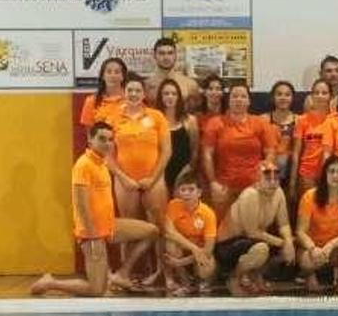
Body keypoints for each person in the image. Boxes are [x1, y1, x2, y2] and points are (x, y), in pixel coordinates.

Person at [30, 122, 159, 296]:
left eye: (110, 140)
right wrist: (93, 238)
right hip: (91, 234)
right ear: (90, 140)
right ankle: (51, 283)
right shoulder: (84, 165)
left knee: (151, 231)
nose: (107, 143)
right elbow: (80, 205)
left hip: (109, 227)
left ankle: (122, 274)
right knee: (96, 290)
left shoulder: (102, 163)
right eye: (102, 139)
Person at [107, 74, 171, 285]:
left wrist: (153, 178)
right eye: (130, 90)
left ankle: (161, 272)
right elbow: (107, 155)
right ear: (124, 92)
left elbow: (166, 151)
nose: (134, 94)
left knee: (158, 227)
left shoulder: (157, 117)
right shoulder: (113, 118)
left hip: (154, 180)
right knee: (130, 229)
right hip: (125, 181)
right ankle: (129, 274)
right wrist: (123, 178)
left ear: (144, 94)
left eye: (138, 91)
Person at [214, 162, 294, 296]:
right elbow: (252, 232)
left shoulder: (279, 193)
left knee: (290, 245)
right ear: (257, 180)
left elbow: (284, 224)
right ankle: (234, 278)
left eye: (276, 178)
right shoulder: (250, 195)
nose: (273, 182)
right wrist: (283, 243)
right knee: (262, 249)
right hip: (227, 246)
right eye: (268, 179)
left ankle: (255, 275)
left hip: (252, 241)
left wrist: (289, 242)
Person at [202, 84, 277, 219]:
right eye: (234, 96)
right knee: (223, 229)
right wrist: (213, 182)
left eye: (243, 96)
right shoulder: (215, 123)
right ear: (228, 100)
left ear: (249, 101)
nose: (238, 100)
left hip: (254, 185)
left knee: (252, 226)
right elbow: (207, 154)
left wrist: (263, 176)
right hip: (224, 185)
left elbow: (270, 152)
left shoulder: (260, 123)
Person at [295, 156, 338, 294]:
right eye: (331, 171)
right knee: (306, 262)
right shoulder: (309, 196)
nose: (335, 176)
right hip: (313, 249)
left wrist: (331, 244)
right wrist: (313, 248)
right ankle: (309, 275)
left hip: (336, 248)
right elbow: (300, 231)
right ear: (324, 174)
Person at [163, 170, 217, 296]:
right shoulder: (173, 205)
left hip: (200, 250)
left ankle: (201, 281)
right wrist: (193, 248)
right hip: (186, 247)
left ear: (199, 193)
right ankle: (185, 282)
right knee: (170, 244)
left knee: (207, 267)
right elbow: (169, 232)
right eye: (183, 190)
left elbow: (208, 249)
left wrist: (181, 262)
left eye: (191, 190)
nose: (186, 193)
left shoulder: (208, 213)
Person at [156, 79, 199, 193]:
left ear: (179, 97)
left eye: (174, 94)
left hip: (183, 175)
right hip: (159, 175)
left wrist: (187, 172)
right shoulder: (154, 120)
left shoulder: (190, 120)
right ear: (160, 97)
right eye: (166, 93)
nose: (170, 97)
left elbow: (194, 150)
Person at [291, 79, 332, 198]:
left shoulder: (335, 120)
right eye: (316, 93)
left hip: (330, 173)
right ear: (311, 95)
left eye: (324, 93)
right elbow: (296, 153)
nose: (320, 96)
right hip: (307, 172)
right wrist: (293, 182)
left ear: (330, 96)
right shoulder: (302, 120)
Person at [145, 37, 201, 112]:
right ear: (154, 56)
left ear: (175, 56)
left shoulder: (190, 84)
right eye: (161, 53)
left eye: (170, 53)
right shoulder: (146, 86)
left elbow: (195, 112)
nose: (166, 57)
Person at [260, 81, 297, 192]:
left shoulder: (299, 120)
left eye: (287, 94)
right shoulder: (263, 120)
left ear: (292, 98)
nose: (283, 98)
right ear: (273, 97)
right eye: (279, 94)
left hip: (291, 172)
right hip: (268, 172)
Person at [79, 57, 127, 128]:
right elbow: (91, 135)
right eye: (109, 72)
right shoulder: (91, 101)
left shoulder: (131, 100)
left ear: (123, 76)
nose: (112, 76)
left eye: (117, 72)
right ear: (103, 76)